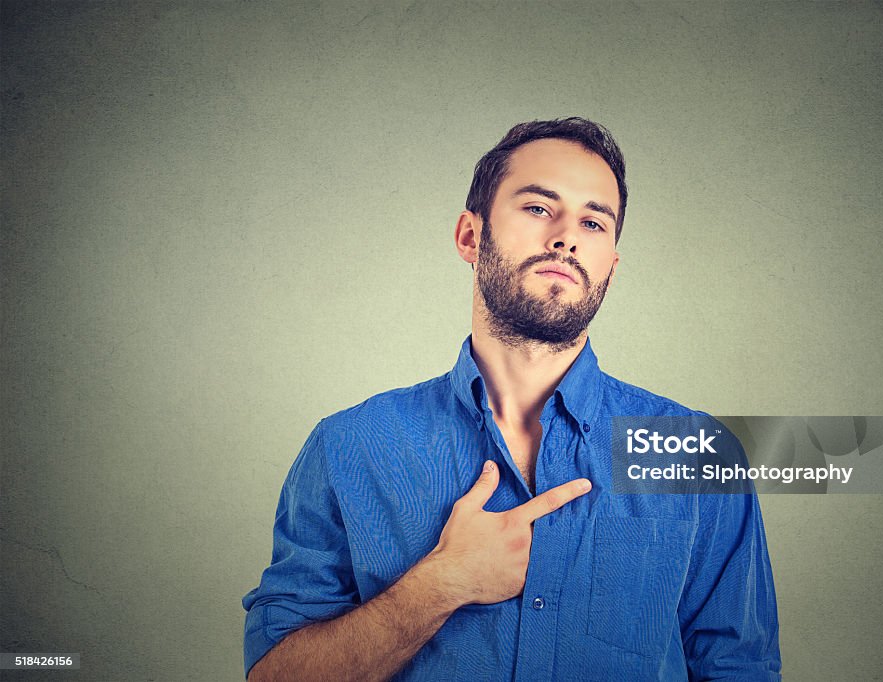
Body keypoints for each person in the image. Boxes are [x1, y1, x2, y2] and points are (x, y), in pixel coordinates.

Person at [242, 117, 782, 681]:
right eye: (538, 208)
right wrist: (443, 582)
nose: (567, 237)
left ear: (611, 268)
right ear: (470, 237)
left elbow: (740, 670)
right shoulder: (348, 446)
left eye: (594, 222)